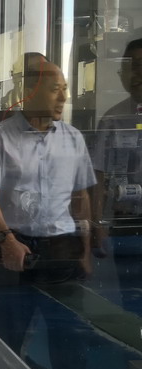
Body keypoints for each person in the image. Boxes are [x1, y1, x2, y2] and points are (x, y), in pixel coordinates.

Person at [0, 60, 96, 369]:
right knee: (7, 338)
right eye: (56, 88)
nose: (64, 97)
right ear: (30, 90)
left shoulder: (72, 138)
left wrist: (85, 250)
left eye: (65, 89)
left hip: (62, 249)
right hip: (14, 248)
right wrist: (6, 241)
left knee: (69, 344)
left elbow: (81, 198)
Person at [91, 37, 142, 301]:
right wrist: (98, 223)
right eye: (129, 67)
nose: (135, 75)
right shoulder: (113, 119)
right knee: (131, 295)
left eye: (140, 66)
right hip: (126, 223)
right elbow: (98, 175)